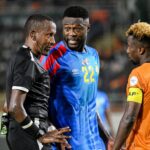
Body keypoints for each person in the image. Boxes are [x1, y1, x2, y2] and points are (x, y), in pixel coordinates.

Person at [40, 6, 109, 150]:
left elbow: (90, 103)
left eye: (77, 29)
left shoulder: (93, 55)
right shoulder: (53, 55)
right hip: (68, 144)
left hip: (95, 143)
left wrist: (107, 138)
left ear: (88, 28)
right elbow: (35, 99)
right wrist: (49, 128)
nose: (71, 34)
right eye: (67, 28)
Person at [5, 14, 71, 150]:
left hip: (23, 134)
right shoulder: (28, 61)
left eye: (54, 35)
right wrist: (39, 135)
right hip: (29, 136)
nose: (53, 41)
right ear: (33, 35)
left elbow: (7, 106)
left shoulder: (21, 58)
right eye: (49, 35)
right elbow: (14, 107)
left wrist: (51, 130)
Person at [112, 22, 150, 150]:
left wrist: (115, 148)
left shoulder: (138, 75)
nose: (127, 51)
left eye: (129, 46)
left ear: (140, 50)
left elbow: (130, 117)